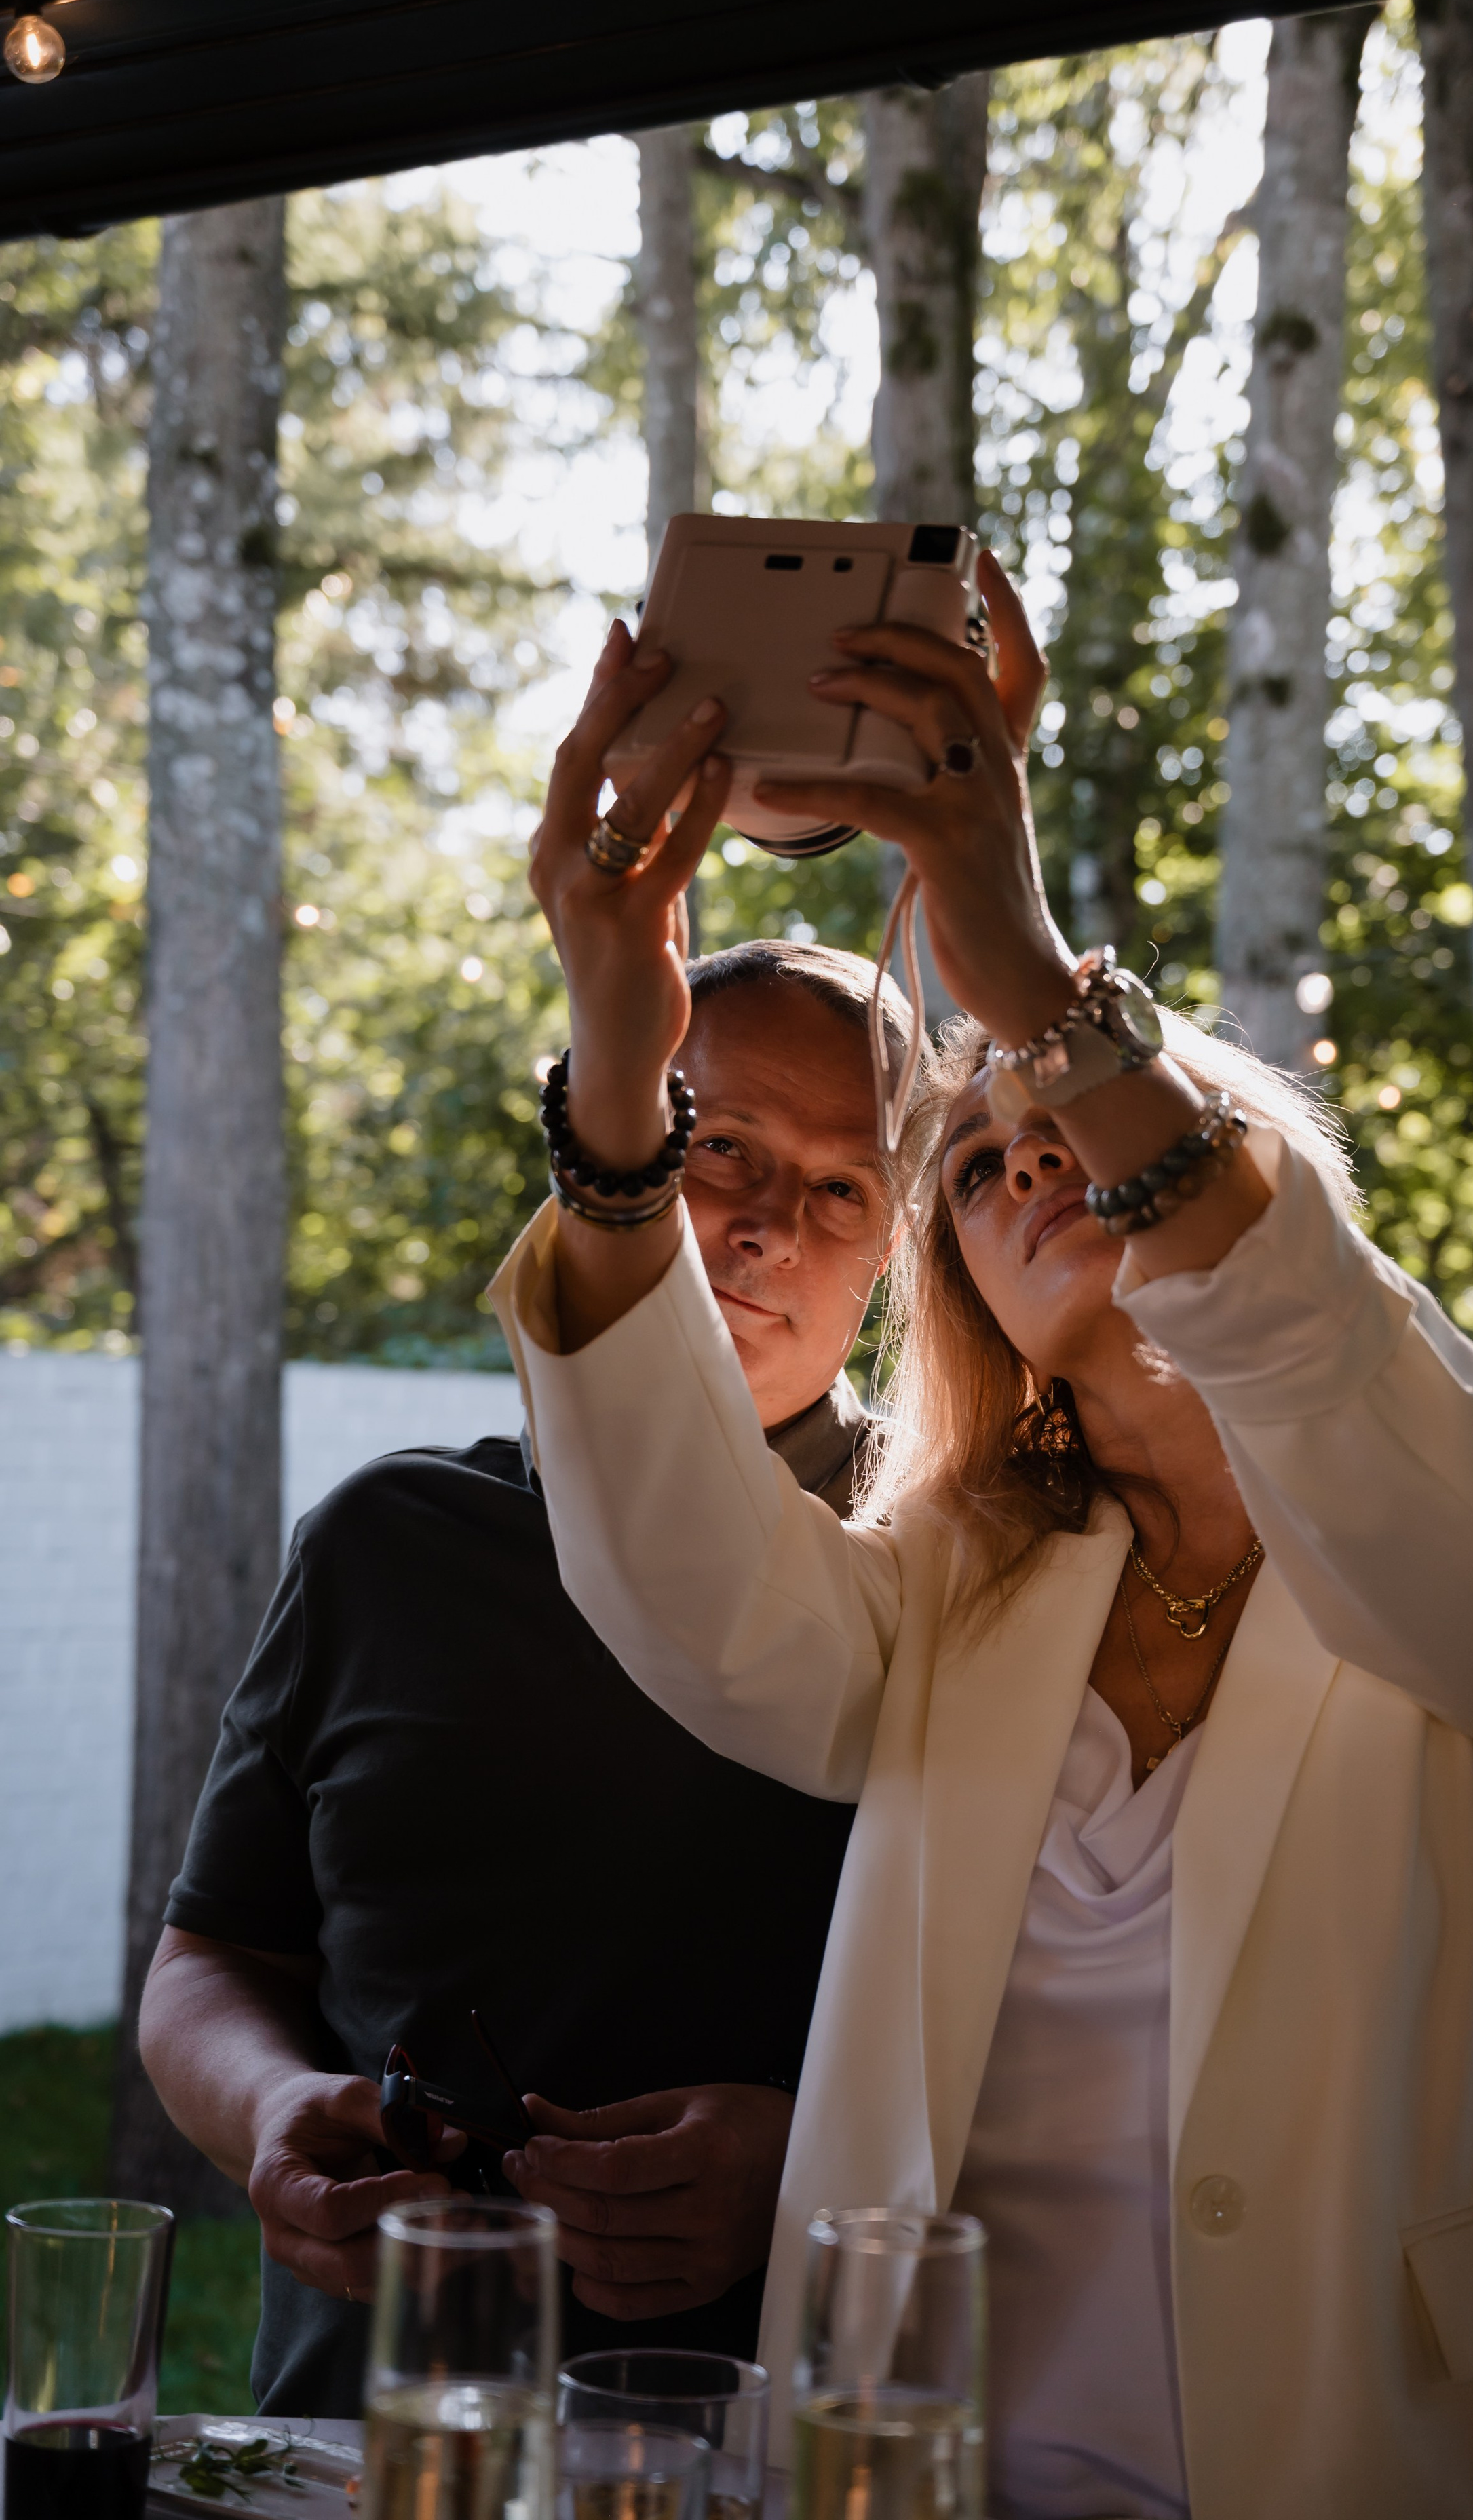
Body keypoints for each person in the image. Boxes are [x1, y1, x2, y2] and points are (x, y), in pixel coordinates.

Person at [489, 556, 1473, 2519]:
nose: (1029, 1148)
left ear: (1225, 1157)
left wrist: (1036, 986)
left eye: (1065, 1110)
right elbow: (692, 1605)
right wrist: (622, 1051)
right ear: (977, 1299)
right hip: (932, 2473)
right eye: (974, 1166)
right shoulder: (957, 1598)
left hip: (1437, 2468)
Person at [138, 915, 919, 2416]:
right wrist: (273, 2107)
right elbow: (214, 1956)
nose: (768, 1227)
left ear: (891, 1252)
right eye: (724, 1147)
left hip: (768, 2443)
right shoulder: (387, 1540)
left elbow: (1084, 2049)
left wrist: (808, 2155)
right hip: (357, 2437)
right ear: (603, 1137)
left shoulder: (956, 1569)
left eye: (842, 1187)